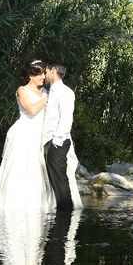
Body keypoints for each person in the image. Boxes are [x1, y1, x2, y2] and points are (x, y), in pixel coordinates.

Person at [0, 60, 55, 211]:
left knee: (37, 168)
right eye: (40, 74)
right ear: (31, 75)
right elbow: (32, 110)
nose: (43, 77)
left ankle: (35, 203)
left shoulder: (45, 91)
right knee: (21, 167)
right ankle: (15, 202)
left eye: (44, 74)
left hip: (40, 133)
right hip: (25, 133)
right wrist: (47, 99)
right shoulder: (22, 90)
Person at [42, 63, 83, 211]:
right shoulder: (48, 92)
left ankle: (65, 216)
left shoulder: (65, 92)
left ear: (53, 71)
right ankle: (61, 215)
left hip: (57, 142)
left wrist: (57, 141)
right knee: (54, 180)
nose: (44, 75)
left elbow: (66, 118)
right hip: (48, 140)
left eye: (46, 71)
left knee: (60, 181)